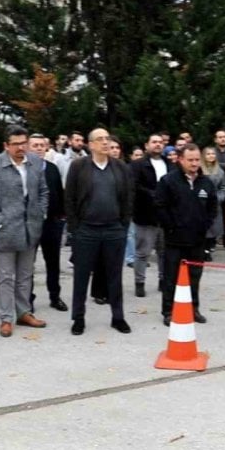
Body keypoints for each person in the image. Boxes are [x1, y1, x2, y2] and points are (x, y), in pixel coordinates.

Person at [0, 125, 49, 337]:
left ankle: (23, 312)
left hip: (31, 228)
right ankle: (6, 318)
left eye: (23, 143)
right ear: (6, 146)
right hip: (6, 230)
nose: (21, 148)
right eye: (16, 144)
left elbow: (43, 191)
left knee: (26, 275)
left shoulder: (36, 162)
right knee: (6, 276)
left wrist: (41, 213)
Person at [66, 128, 133, 335]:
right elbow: (69, 198)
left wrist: (123, 225)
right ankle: (78, 318)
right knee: (81, 276)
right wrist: (75, 230)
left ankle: (118, 317)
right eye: (100, 139)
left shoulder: (120, 167)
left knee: (114, 275)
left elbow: (128, 198)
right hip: (86, 230)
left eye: (107, 139)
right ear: (91, 144)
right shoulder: (79, 167)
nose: (105, 143)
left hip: (114, 229)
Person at [155, 144, 217, 326]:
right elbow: (159, 206)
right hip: (175, 240)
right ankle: (168, 311)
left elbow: (213, 207)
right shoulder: (168, 181)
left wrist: (205, 225)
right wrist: (171, 227)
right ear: (180, 159)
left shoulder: (206, 183)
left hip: (197, 240)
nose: (194, 163)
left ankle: (193, 308)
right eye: (190, 160)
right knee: (171, 277)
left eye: (197, 159)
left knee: (194, 276)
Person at [28, 133, 67, 312]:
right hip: (30, 224)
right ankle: (27, 298)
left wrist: (61, 217)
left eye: (42, 145)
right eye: (35, 145)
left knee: (53, 263)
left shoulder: (52, 168)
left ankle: (55, 296)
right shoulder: (24, 169)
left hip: (52, 224)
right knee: (28, 264)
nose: (38, 148)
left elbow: (59, 192)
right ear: (28, 147)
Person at [130, 134, 168, 298]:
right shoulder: (138, 165)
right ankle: (140, 283)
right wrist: (155, 195)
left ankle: (163, 281)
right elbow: (135, 186)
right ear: (147, 145)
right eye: (154, 142)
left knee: (164, 252)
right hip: (145, 215)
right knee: (142, 252)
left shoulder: (170, 164)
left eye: (160, 142)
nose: (158, 145)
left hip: (165, 216)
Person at [200, 146, 225, 261]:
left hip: (215, 202)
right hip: (201, 201)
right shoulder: (199, 170)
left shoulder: (220, 171)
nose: (211, 156)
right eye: (208, 154)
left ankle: (208, 249)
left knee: (214, 228)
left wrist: (220, 198)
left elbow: (223, 187)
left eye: (213, 154)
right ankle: (202, 250)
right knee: (203, 228)